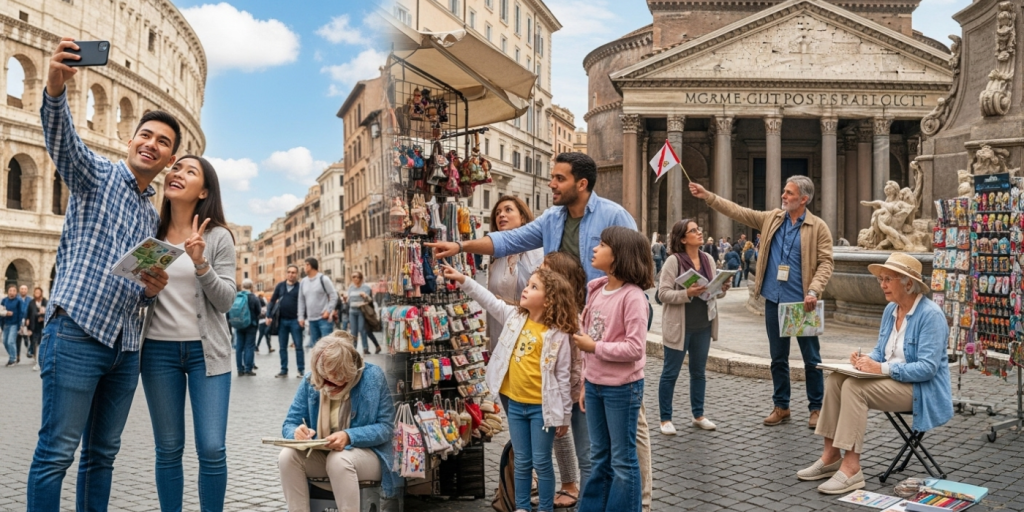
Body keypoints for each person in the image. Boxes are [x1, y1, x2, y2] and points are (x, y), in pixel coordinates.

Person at [427, 152, 653, 510]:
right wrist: (461, 246)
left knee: (627, 429)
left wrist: (610, 334)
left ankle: (639, 501)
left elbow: (636, 263)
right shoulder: (552, 218)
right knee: (588, 425)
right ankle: (592, 496)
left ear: (581, 183)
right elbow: (508, 240)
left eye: (559, 179)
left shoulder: (613, 216)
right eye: (551, 177)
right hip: (565, 328)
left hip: (601, 335)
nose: (551, 184)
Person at [28, 38, 174, 511]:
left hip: (126, 347)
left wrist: (152, 289)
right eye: (146, 136)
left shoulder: (154, 218)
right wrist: (55, 86)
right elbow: (62, 139)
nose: (152, 144)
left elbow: (142, 292)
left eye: (163, 143)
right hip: (76, 333)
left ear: (169, 159)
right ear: (131, 140)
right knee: (56, 453)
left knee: (102, 457)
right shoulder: (97, 175)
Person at [798, 253, 952, 494]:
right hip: (893, 380)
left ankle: (852, 469)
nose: (882, 285)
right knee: (837, 379)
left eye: (888, 279)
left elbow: (927, 369)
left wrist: (880, 368)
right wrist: (865, 360)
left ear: (908, 283)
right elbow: (881, 351)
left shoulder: (931, 315)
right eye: (881, 279)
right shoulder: (891, 310)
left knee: (854, 388)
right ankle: (830, 457)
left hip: (921, 390)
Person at [690, 176, 834, 429]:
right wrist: (708, 196)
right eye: (784, 192)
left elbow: (826, 262)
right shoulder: (773, 219)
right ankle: (782, 406)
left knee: (811, 359)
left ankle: (816, 408)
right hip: (773, 300)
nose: (783, 196)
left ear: (804, 199)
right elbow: (738, 211)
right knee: (778, 358)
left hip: (802, 303)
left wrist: (814, 290)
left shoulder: (818, 226)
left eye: (789, 193)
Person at [139, 155, 237, 511]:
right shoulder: (149, 232)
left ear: (204, 190)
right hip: (157, 353)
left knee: (211, 447)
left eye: (189, 171)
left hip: (207, 352)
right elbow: (138, 293)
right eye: (175, 169)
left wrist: (200, 263)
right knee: (167, 449)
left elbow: (225, 300)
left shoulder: (218, 237)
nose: (177, 174)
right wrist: (144, 289)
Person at [443, 264, 574, 512]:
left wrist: (564, 416)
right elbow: (489, 301)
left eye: (534, 287)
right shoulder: (515, 317)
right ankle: (522, 507)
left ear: (549, 301)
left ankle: (545, 507)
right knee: (523, 461)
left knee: (542, 461)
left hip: (542, 409)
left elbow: (563, 377)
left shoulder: (557, 334)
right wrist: (463, 280)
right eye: (528, 284)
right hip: (515, 405)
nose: (525, 289)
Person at [573, 226, 653, 512]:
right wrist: (585, 382)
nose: (595, 249)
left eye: (603, 244)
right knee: (600, 457)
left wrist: (595, 348)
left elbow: (635, 349)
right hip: (595, 386)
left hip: (622, 388)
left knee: (622, 460)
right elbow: (589, 340)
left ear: (619, 255)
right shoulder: (596, 289)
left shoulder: (633, 297)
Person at [278, 331, 397, 511]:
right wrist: (297, 432)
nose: (330, 382)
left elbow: (387, 428)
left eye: (337, 377)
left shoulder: (372, 377)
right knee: (287, 456)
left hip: (368, 456)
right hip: (323, 456)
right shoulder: (311, 380)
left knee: (338, 459)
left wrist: (349, 436)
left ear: (350, 368)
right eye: (325, 377)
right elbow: (290, 423)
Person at [657, 219, 731, 435]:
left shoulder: (708, 258)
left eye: (699, 229)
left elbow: (713, 292)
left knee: (698, 373)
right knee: (670, 373)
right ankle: (665, 419)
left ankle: (698, 415)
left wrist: (722, 287)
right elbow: (662, 294)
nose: (699, 233)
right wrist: (686, 293)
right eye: (693, 231)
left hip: (703, 325)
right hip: (680, 327)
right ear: (682, 238)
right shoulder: (673, 261)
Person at [540, 251, 590, 508]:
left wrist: (574, 394)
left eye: (544, 271)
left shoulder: (575, 319)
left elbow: (580, 363)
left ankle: (589, 502)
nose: (537, 273)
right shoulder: (551, 314)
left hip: (577, 396)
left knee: (587, 454)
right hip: (563, 395)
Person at [486, 195, 543, 352]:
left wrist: (509, 305)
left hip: (528, 336)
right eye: (497, 213)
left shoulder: (538, 253)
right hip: (500, 337)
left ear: (523, 217)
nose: (501, 215)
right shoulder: (496, 257)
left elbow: (547, 298)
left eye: (508, 210)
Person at [268, 265, 305, 378]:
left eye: (293, 272)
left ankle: (301, 370)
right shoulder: (280, 286)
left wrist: (303, 318)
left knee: (298, 346)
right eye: (289, 272)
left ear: (297, 274)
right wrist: (268, 315)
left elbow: (305, 303)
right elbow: (272, 300)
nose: (291, 274)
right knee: (282, 347)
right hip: (282, 321)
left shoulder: (300, 287)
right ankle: (284, 370)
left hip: (296, 321)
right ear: (286, 273)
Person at [298, 257, 338, 349]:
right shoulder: (303, 282)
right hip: (311, 320)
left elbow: (334, 295)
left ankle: (328, 364)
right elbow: (301, 300)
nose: (304, 267)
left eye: (305, 264)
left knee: (327, 348)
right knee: (315, 348)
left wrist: (328, 310)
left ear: (309, 265)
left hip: (324, 319)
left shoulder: (323, 279)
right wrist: (300, 317)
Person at [230, 279, 262, 377]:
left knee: (239, 347)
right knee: (249, 346)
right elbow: (258, 311)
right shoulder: (253, 297)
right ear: (251, 287)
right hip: (251, 325)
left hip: (238, 325)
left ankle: (240, 369)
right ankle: (248, 369)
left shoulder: (236, 296)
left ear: (242, 286)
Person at [347, 271, 381, 354]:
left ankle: (365, 349)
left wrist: (365, 296)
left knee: (363, 330)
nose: (355, 279)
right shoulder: (350, 288)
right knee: (353, 332)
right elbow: (349, 300)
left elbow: (370, 300)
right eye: (353, 277)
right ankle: (353, 349)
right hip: (352, 311)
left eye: (356, 277)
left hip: (362, 311)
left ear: (361, 278)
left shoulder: (366, 288)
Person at [1, 285, 25, 367]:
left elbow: (21, 313)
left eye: (14, 291)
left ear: (16, 292)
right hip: (6, 323)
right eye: (10, 290)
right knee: (4, 342)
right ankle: (12, 355)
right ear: (7, 291)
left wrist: (20, 325)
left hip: (14, 324)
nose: (12, 292)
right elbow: (1, 311)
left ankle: (13, 359)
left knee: (11, 341)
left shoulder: (18, 301)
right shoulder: (4, 300)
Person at [28, 287, 47, 370]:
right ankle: (35, 357)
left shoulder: (45, 301)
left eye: (38, 292)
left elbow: (48, 311)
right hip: (34, 324)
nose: (37, 293)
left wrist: (42, 316)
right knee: (34, 341)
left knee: (41, 341)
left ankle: (39, 360)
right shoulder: (32, 302)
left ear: (41, 293)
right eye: (36, 292)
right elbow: (29, 312)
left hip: (43, 324)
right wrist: (27, 320)